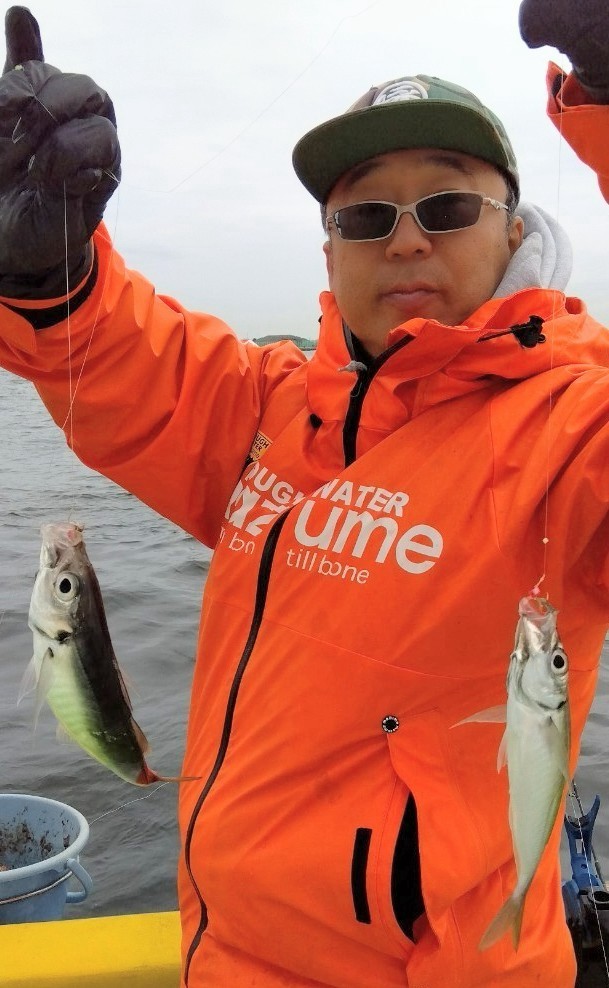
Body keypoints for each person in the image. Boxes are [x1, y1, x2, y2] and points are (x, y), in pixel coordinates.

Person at [1, 2, 609, 985]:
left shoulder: (575, 426)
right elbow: (119, 355)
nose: (404, 242)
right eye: (365, 217)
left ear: (513, 231)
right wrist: (46, 272)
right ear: (329, 251)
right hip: (222, 956)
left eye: (446, 208)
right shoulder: (274, 409)